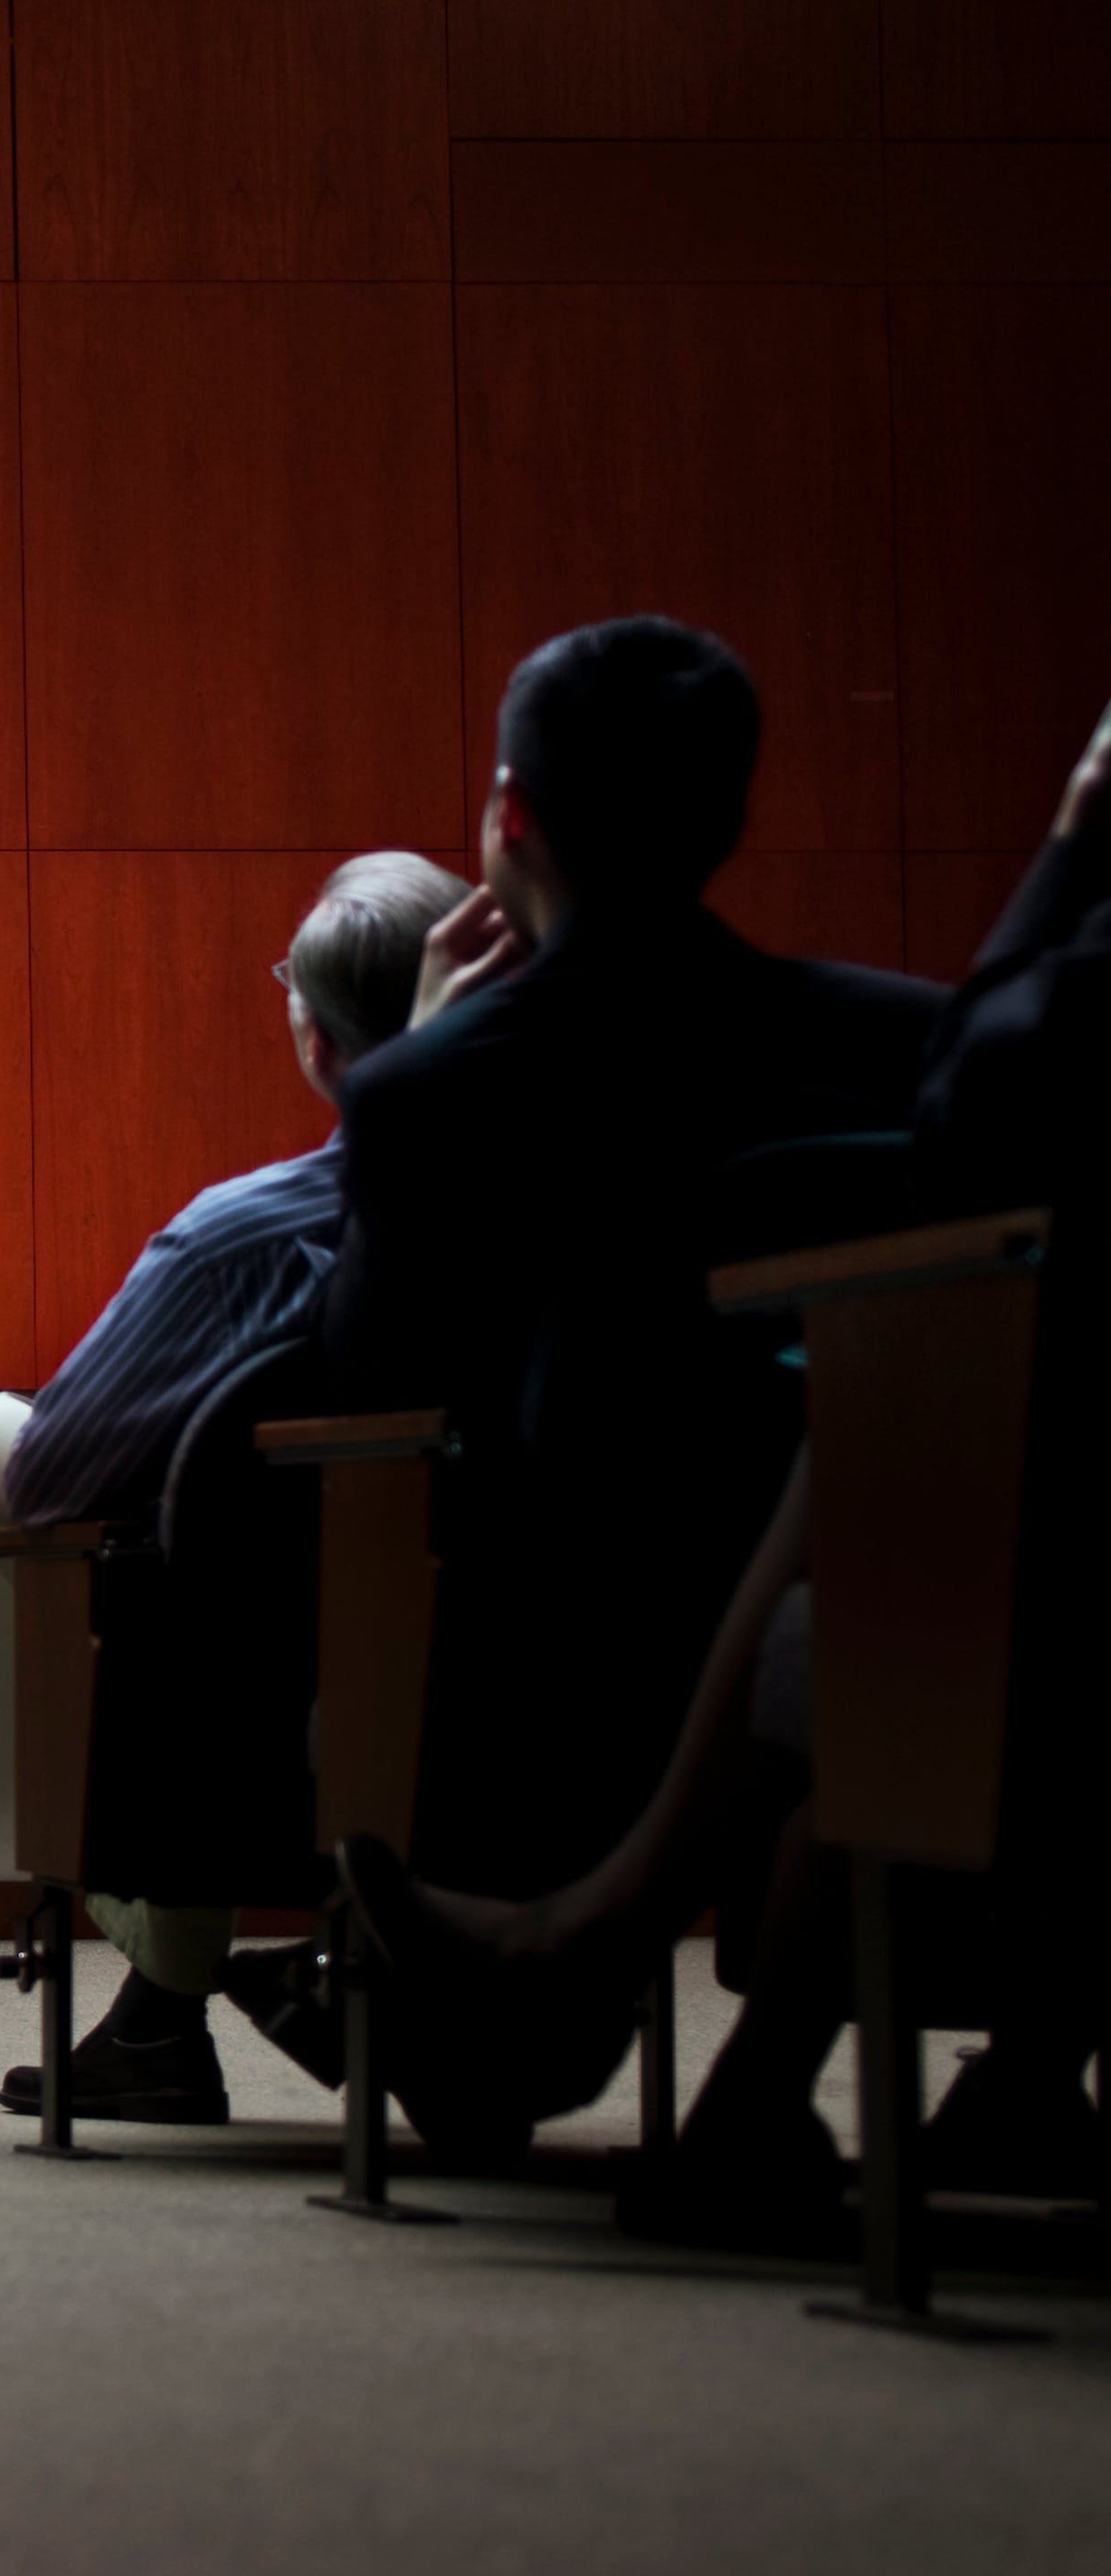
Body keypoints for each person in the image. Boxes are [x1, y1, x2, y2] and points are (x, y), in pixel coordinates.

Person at [320, 618, 941, 1899]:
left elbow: (375, 1394)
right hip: (900, 1622)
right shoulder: (906, 1045)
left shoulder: (422, 1097)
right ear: (731, 816)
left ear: (509, 817)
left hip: (538, 1669)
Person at [0, 851, 466, 2127]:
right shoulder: (591, 1228)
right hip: (531, 1687)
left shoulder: (246, 1235)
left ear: (320, 1039)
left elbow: (58, 1473)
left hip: (250, 1711)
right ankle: (162, 2019)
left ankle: (179, 1969)